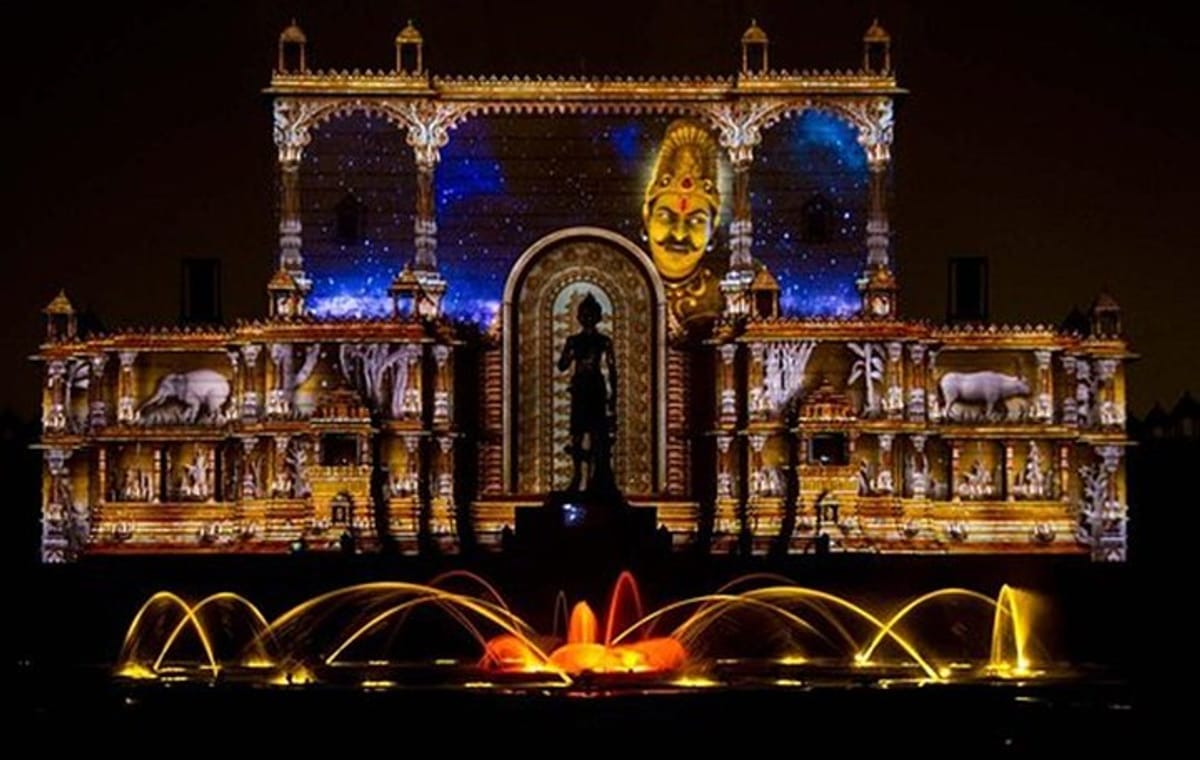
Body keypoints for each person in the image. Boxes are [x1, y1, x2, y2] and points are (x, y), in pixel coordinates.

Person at [643, 119, 724, 327]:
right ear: (646, 217)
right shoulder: (619, 283)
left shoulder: (726, 298)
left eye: (697, 220)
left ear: (712, 231)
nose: (679, 234)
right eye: (665, 217)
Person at [557, 293, 618, 494]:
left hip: (596, 388)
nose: (588, 318)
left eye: (592, 314)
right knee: (577, 434)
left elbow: (612, 370)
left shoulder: (603, 341)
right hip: (580, 388)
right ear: (579, 317)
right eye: (585, 314)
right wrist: (570, 352)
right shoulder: (573, 340)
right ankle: (577, 477)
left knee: (597, 436)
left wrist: (612, 399)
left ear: (598, 317)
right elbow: (562, 366)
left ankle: (594, 480)